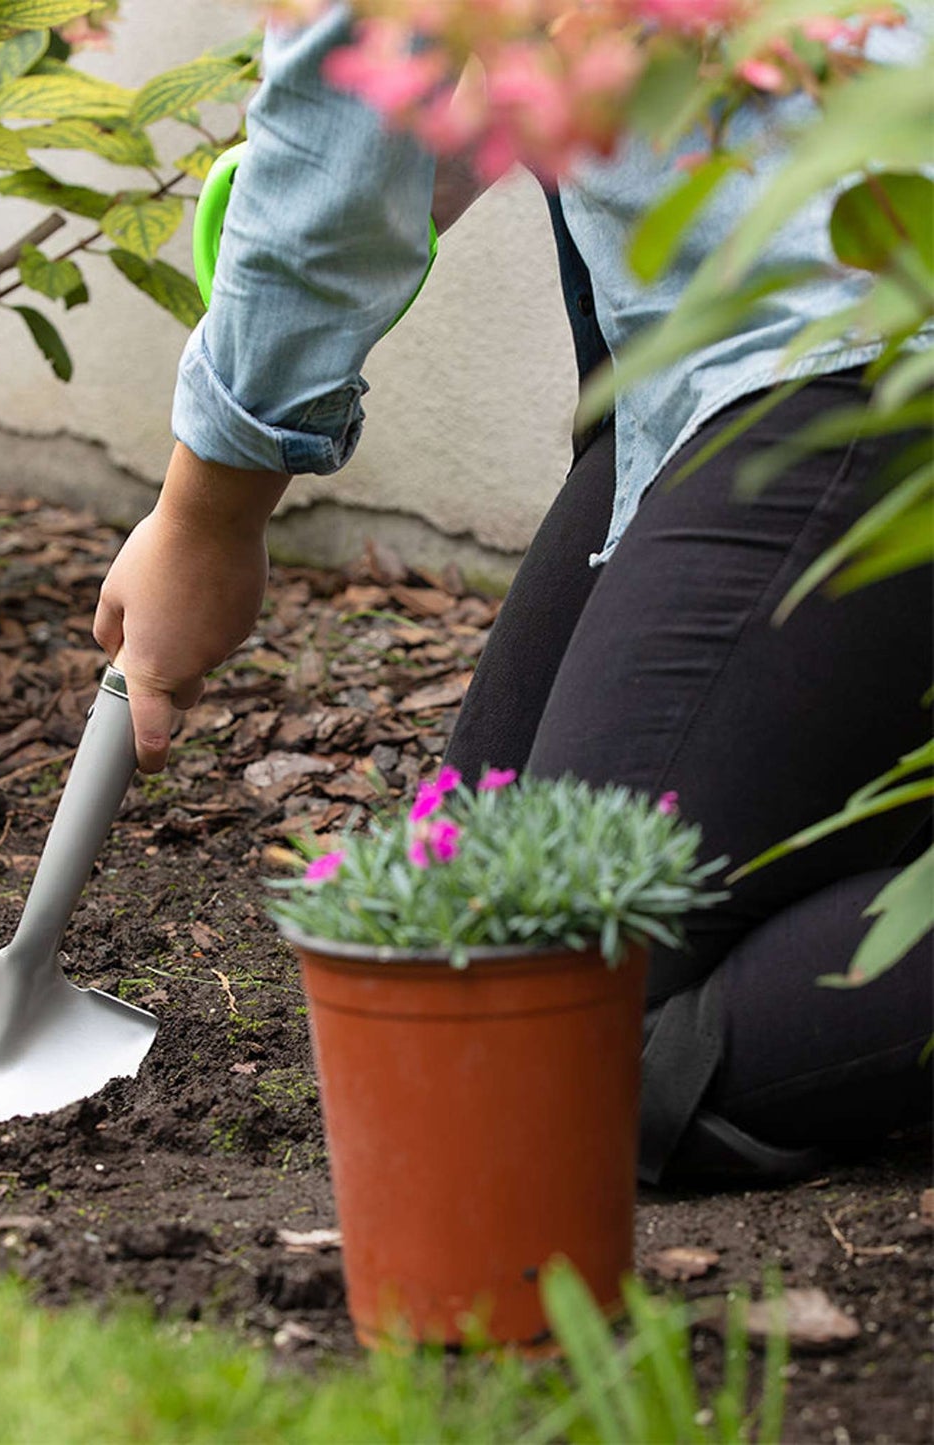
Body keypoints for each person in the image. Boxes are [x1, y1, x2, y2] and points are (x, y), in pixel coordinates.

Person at [92, 5, 932, 1185]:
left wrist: (207, 513)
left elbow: (356, 86)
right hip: (762, 347)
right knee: (446, 932)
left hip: (864, 337)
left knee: (538, 1036)